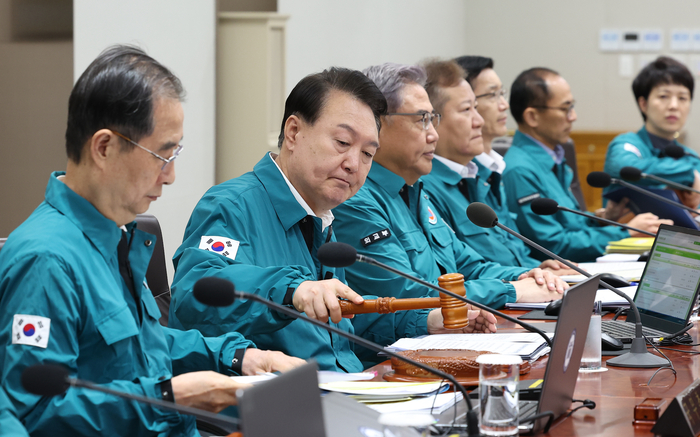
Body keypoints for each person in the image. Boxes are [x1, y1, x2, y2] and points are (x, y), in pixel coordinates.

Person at [0, 45, 303, 436]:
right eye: (162, 155)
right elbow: (35, 413)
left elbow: (143, 348)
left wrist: (237, 355)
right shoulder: (46, 260)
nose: (171, 175)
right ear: (104, 147)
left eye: (175, 153)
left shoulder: (116, 231)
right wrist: (167, 396)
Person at [170, 67, 491, 372]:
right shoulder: (233, 205)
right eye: (342, 143)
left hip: (348, 390)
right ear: (293, 132)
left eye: (367, 153)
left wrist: (427, 322)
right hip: (284, 403)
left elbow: (345, 316)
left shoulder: (321, 214)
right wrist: (292, 290)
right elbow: (194, 297)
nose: (354, 164)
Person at [332, 63, 566, 346]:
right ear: (376, 124)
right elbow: (410, 296)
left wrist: (526, 276)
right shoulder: (356, 201)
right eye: (421, 120)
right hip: (400, 360)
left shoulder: (415, 191)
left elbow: (470, 264)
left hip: (449, 344)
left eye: (433, 119)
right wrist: (512, 290)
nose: (434, 135)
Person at [422, 57, 573, 273]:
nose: (479, 121)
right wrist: (524, 276)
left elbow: (510, 251)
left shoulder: (478, 177)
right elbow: (463, 272)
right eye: (466, 110)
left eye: (476, 108)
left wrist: (538, 268)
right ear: (432, 121)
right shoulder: (426, 189)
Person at [502, 67, 669, 262]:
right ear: (532, 117)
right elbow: (553, 245)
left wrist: (601, 218)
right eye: (565, 109)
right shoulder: (520, 170)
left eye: (572, 107)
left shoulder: (554, 157)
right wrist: (626, 233)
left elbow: (570, 224)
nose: (573, 117)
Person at [604, 56, 700, 209]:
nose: (674, 106)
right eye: (664, 96)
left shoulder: (691, 157)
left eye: (682, 98)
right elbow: (624, 168)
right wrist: (689, 175)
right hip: (628, 231)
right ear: (643, 104)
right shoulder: (626, 144)